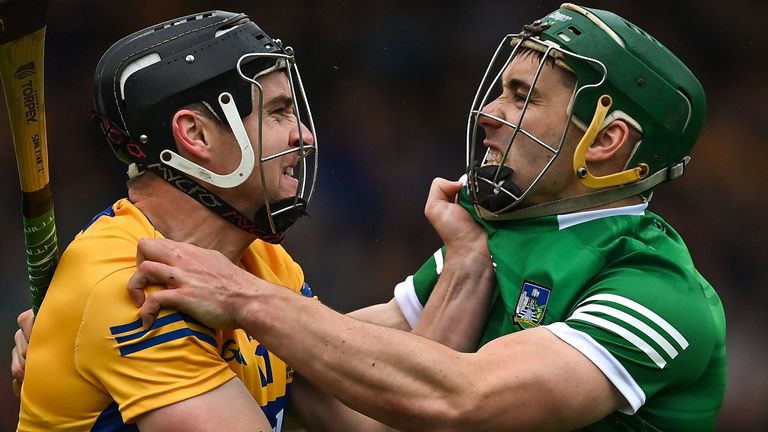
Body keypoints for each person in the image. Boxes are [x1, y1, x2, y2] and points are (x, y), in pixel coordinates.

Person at [123, 4, 728, 431]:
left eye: (523, 97)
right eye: (500, 91)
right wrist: (123, 334)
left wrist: (243, 298)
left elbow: (462, 398)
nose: (489, 113)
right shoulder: (492, 240)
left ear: (606, 141)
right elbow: (323, 369)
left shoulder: (655, 290)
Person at [13, 10, 494, 431]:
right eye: (278, 112)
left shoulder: (260, 264)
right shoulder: (130, 287)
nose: (303, 135)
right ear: (195, 134)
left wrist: (467, 261)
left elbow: (377, 423)